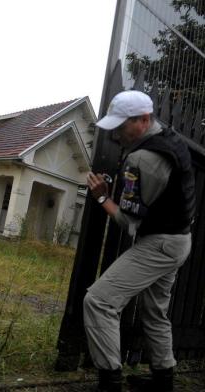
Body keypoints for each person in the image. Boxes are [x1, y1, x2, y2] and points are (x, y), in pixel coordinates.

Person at [83, 90, 195, 392]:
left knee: (99, 301)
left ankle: (110, 381)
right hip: (179, 240)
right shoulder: (170, 138)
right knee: (155, 312)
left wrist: (102, 196)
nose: (117, 134)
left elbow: (126, 221)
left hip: (159, 244)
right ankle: (164, 380)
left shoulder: (142, 158)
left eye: (122, 126)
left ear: (144, 119)